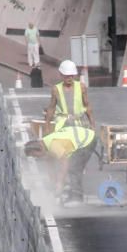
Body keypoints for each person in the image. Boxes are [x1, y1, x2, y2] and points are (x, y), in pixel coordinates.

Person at [41, 59, 96, 204]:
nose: (69, 78)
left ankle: (74, 193)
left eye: (71, 75)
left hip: (78, 126)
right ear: (61, 75)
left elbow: (87, 105)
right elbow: (51, 107)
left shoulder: (81, 87)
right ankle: (66, 189)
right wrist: (47, 126)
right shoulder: (56, 89)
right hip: (63, 126)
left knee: (74, 162)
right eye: (66, 76)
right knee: (64, 160)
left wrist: (92, 124)